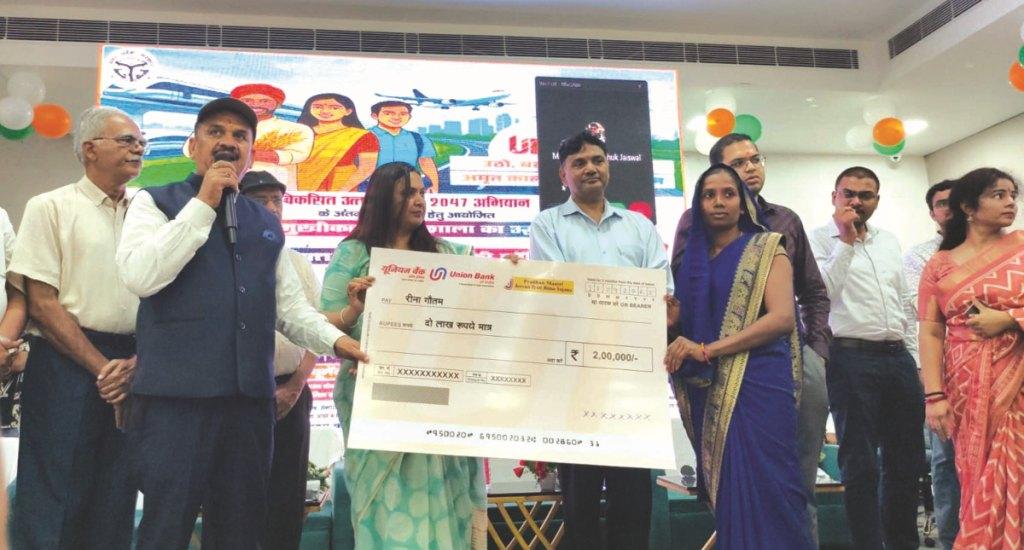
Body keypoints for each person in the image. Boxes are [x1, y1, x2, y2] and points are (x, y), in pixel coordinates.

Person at [116, 97, 367, 549]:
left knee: (240, 531)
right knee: (165, 528)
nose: (228, 142)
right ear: (193, 145)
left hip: (248, 405)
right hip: (176, 402)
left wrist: (338, 342)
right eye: (216, 132)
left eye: (240, 136)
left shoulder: (262, 222)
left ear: (250, 152)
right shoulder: (154, 201)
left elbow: (289, 309)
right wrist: (204, 203)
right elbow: (141, 276)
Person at [671, 133, 831, 542]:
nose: (719, 202)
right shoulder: (692, 258)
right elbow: (692, 322)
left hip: (761, 380)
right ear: (697, 205)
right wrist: (673, 323)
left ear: (743, 203)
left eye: (729, 194)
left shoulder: (768, 246)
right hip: (711, 383)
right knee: (729, 492)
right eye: (709, 195)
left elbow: (781, 318)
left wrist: (708, 350)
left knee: (775, 485)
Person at [320, 161, 486, 549]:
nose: (419, 200)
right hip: (375, 402)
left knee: (445, 509)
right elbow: (324, 324)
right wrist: (355, 310)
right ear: (383, 199)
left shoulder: (447, 254)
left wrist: (508, 277)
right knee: (388, 511)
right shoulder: (354, 253)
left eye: (422, 192)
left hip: (438, 403)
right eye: (408, 193)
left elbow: (482, 308)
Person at [8, 106, 144, 549]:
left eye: (141, 142)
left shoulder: (149, 211)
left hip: (134, 364)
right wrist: (104, 370)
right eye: (126, 140)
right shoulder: (50, 206)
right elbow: (41, 303)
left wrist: (133, 365)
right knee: (55, 494)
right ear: (89, 149)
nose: (138, 148)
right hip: (65, 363)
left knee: (117, 494)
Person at [529, 131, 671, 550]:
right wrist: (622, 306)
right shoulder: (547, 225)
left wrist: (629, 307)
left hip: (632, 382)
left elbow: (661, 291)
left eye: (597, 160)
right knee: (581, 503)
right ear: (563, 175)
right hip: (575, 381)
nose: (590, 168)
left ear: (608, 166)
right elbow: (560, 292)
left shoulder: (640, 226)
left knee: (634, 501)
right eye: (579, 163)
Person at [809, 166, 924, 550]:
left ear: (876, 200)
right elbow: (820, 296)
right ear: (834, 197)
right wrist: (845, 241)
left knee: (905, 462)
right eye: (849, 193)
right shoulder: (817, 239)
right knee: (860, 465)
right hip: (849, 358)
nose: (857, 201)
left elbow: (903, 303)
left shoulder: (887, 240)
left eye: (866, 195)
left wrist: (914, 360)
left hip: (897, 358)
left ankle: (903, 544)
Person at [918, 168, 1023, 550]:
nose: (1010, 203)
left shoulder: (1022, 247)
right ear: (967, 206)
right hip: (965, 386)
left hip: (1017, 379)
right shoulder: (940, 265)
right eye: (998, 195)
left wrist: (1009, 319)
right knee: (977, 480)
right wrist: (934, 396)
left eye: (1012, 195)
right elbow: (930, 332)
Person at [240, 170, 319, 550]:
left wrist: (295, 386)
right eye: (261, 201)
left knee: (287, 498)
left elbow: (315, 332)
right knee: (239, 499)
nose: (272, 208)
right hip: (239, 395)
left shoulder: (298, 263)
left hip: (291, 391)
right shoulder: (225, 260)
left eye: (277, 201)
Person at [903, 179, 959, 550]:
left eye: (956, 201)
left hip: (1002, 364)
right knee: (945, 459)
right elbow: (923, 314)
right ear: (931, 213)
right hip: (945, 368)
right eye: (941, 204)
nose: (949, 209)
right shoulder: (921, 257)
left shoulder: (1000, 248)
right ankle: (952, 538)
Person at [232, 82, 314, 190]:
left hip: (276, 187)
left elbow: (296, 155)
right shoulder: (222, 127)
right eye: (247, 100)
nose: (255, 104)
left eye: (264, 101)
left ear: (278, 104)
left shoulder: (296, 129)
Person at [296, 93, 379, 192]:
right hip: (301, 182)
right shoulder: (298, 132)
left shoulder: (363, 135)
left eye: (334, 108)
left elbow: (366, 168)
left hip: (342, 184)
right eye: (318, 107)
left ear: (348, 111)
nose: (325, 111)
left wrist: (342, 191)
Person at [369, 101, 440, 192]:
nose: (396, 117)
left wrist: (435, 186)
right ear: (374, 116)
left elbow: (427, 163)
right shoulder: (363, 136)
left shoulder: (419, 139)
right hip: (371, 187)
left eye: (403, 114)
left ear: (409, 117)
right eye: (388, 113)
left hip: (408, 188)